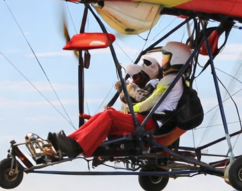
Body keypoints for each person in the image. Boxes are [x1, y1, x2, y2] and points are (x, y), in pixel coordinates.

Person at [49, 42, 191, 158]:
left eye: (166, 57)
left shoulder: (171, 80)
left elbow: (151, 102)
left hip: (151, 123)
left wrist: (131, 109)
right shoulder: (173, 79)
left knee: (109, 116)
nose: (163, 61)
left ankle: (76, 147)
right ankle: (69, 142)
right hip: (148, 119)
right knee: (103, 115)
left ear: (176, 59)